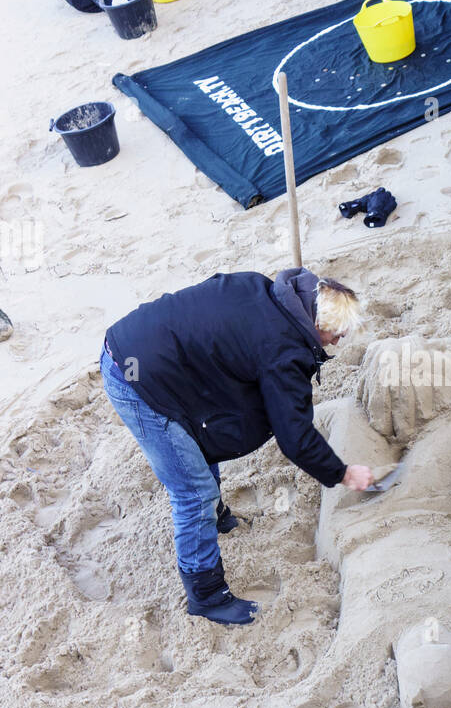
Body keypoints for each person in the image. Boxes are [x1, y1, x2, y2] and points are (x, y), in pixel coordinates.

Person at [101, 267, 373, 625]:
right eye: (335, 335)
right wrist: (342, 473)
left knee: (199, 433)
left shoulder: (270, 292)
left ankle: (213, 518)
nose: (336, 343)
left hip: (145, 347)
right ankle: (207, 595)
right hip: (135, 376)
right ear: (317, 323)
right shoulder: (282, 349)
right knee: (192, 490)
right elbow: (294, 435)